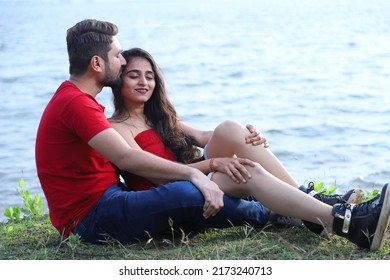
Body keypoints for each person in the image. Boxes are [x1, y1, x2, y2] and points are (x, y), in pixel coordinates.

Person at [108, 47, 390, 251]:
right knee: (246, 170)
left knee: (229, 128)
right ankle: (344, 222)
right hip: (173, 193)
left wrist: (248, 136)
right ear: (119, 80)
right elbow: (160, 177)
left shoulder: (158, 118)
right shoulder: (117, 128)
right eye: (134, 76)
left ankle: (310, 203)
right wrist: (215, 164)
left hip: (199, 179)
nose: (144, 82)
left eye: (149, 76)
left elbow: (208, 136)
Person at [35, 19, 273, 245]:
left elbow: (199, 137)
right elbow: (126, 157)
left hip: (108, 200)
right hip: (90, 218)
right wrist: (196, 173)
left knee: (187, 191)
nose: (122, 61)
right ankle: (268, 212)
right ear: (97, 63)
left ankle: (276, 198)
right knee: (187, 193)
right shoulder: (76, 103)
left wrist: (242, 135)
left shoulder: (76, 100)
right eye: (117, 55)